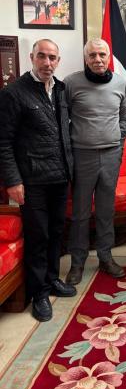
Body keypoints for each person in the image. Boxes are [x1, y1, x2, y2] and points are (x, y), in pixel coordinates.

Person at [0, 39, 75, 322]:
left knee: (56, 231)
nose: (47, 62)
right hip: (32, 181)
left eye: (52, 58)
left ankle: (52, 279)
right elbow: (3, 142)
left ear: (58, 61)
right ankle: (39, 293)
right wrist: (13, 180)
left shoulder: (61, 89)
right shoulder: (13, 93)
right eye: (41, 56)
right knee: (38, 236)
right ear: (32, 57)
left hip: (60, 177)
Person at [65, 38, 126, 285]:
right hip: (82, 155)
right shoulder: (71, 83)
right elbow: (63, 119)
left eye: (102, 54)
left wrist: (118, 144)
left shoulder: (121, 83)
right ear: (86, 58)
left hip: (111, 155)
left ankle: (105, 257)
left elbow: (123, 118)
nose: (98, 59)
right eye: (92, 55)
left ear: (109, 56)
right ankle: (77, 262)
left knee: (105, 211)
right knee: (80, 213)